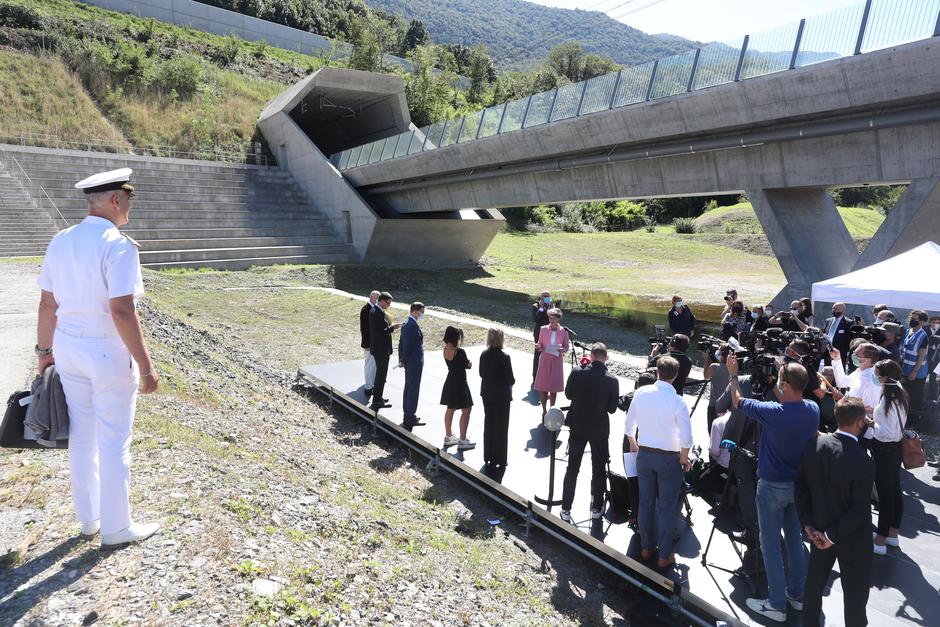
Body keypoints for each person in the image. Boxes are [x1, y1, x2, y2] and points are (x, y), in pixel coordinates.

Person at [36, 167, 160, 547]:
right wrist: (147, 365)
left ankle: (89, 521)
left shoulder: (61, 240)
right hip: (106, 350)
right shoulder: (118, 245)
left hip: (69, 348)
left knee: (83, 437)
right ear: (116, 199)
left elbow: (46, 304)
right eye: (128, 201)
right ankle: (116, 528)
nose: (129, 209)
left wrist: (44, 354)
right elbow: (122, 311)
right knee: (113, 440)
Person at [726, 355, 819, 623]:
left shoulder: (771, 413)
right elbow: (788, 400)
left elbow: (738, 401)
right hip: (798, 487)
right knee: (794, 542)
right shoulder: (811, 409)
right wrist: (777, 380)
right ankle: (796, 596)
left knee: (770, 546)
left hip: (771, 487)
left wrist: (733, 374)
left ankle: (776, 604)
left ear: (786, 384)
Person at [796, 397, 875, 627]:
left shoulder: (813, 445)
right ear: (860, 422)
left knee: (813, 588)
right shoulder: (863, 461)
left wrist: (808, 524)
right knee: (855, 600)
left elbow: (800, 487)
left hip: (817, 532)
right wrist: (831, 536)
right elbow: (859, 510)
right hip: (851, 541)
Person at [624, 357, 693, 570]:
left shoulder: (641, 393)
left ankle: (646, 547)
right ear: (676, 376)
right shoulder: (678, 402)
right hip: (669, 459)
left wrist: (634, 444)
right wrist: (684, 457)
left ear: (657, 373)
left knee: (645, 502)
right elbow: (687, 437)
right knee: (667, 507)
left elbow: (629, 425)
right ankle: (664, 555)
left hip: (645, 455)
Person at [560, 343, 619, 524]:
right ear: (606, 358)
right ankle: (596, 508)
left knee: (572, 468)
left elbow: (568, 395)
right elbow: (612, 409)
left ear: (591, 356)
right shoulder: (612, 380)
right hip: (599, 429)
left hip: (578, 426)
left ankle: (566, 508)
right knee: (598, 469)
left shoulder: (578, 372)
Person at [869, 359, 907, 555]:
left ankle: (881, 538)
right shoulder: (899, 391)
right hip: (894, 450)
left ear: (885, 377)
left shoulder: (889, 398)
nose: (875, 378)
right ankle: (892, 533)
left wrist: (870, 423)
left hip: (885, 449)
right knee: (894, 491)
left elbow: (886, 433)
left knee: (885, 495)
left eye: (877, 375)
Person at [479, 328, 515, 470]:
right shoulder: (504, 357)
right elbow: (510, 379)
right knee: (501, 428)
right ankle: (500, 458)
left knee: (489, 425)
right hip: (501, 396)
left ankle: (488, 456)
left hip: (487, 393)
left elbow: (481, 373)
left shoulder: (484, 354)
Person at [440, 326, 475, 450]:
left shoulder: (445, 349)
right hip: (460, 382)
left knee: (450, 408)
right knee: (466, 410)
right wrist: (469, 362)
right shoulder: (459, 352)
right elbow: (467, 365)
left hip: (450, 381)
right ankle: (463, 439)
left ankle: (449, 436)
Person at [828, 343, 883, 413]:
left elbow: (869, 411)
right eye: (854, 352)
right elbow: (842, 382)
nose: (853, 355)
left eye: (857, 355)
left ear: (867, 360)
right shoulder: (860, 370)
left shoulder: (872, 382)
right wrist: (837, 359)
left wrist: (842, 399)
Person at [534, 308, 569, 417]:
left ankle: (551, 410)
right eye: (550, 318)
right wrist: (538, 346)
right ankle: (544, 410)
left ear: (559, 319)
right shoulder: (543, 329)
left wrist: (561, 350)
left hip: (557, 361)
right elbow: (540, 343)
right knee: (543, 387)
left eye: (554, 318)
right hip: (545, 360)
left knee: (553, 388)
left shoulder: (564, 331)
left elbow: (566, 347)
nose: (551, 320)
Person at [369, 292, 400, 412]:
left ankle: (378, 397)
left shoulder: (377, 311)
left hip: (380, 348)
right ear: (382, 301)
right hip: (380, 349)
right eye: (388, 303)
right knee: (381, 375)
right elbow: (381, 331)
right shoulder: (376, 312)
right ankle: (377, 400)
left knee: (381, 375)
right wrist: (393, 327)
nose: (388, 306)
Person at [398, 302, 426, 429]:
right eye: (421, 312)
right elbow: (407, 346)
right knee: (413, 389)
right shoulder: (411, 325)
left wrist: (402, 359)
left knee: (409, 387)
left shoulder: (407, 323)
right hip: (414, 362)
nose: (422, 315)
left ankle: (408, 414)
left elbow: (401, 344)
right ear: (415, 311)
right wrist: (403, 359)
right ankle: (410, 416)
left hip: (411, 361)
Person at [901, 309, 930, 426]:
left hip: (917, 373)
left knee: (915, 397)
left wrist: (915, 371)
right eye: (911, 318)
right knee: (905, 395)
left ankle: (913, 421)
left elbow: (921, 356)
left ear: (922, 322)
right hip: (905, 369)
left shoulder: (923, 336)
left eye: (915, 319)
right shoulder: (908, 331)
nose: (912, 320)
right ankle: (904, 418)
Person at [703, 343, 731, 434]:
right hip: (728, 407)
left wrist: (707, 359)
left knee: (712, 433)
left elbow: (706, 376)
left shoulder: (714, 367)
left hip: (714, 406)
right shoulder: (735, 369)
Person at [359, 290, 380, 399]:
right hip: (369, 343)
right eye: (376, 297)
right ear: (371, 297)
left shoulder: (374, 309)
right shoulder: (366, 309)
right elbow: (365, 329)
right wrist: (370, 344)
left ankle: (372, 384)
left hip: (375, 343)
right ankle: (368, 386)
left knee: (373, 365)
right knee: (369, 365)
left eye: (378, 298)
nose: (377, 300)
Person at [531, 290, 552, 383]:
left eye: (548, 296)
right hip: (539, 333)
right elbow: (536, 318)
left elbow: (554, 318)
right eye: (544, 296)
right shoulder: (536, 306)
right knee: (538, 353)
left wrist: (551, 308)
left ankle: (547, 374)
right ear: (541, 297)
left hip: (549, 332)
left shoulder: (552, 306)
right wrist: (542, 307)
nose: (546, 297)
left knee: (549, 353)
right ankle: (535, 375)